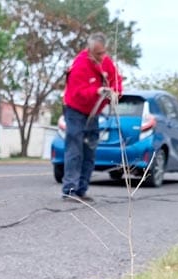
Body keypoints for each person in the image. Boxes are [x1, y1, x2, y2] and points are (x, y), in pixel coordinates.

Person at [61, 32, 122, 201]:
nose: (102, 57)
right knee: (75, 150)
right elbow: (77, 93)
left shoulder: (107, 62)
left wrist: (115, 93)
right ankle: (70, 190)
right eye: (98, 54)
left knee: (90, 151)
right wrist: (96, 91)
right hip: (75, 111)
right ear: (90, 50)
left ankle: (82, 189)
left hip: (93, 113)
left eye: (103, 52)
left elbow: (116, 80)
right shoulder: (80, 65)